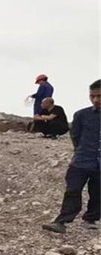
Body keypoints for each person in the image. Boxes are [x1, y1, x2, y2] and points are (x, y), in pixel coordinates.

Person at [42, 79, 100, 233]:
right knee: (73, 190)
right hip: (81, 160)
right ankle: (61, 222)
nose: (95, 100)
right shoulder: (81, 115)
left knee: (98, 192)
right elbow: (75, 136)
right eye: (92, 96)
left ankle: (91, 219)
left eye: (99, 96)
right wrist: (81, 151)